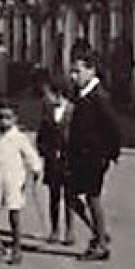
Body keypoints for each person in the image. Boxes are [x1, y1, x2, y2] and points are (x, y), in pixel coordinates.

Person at [65, 46, 122, 262]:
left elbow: (113, 128)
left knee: (92, 197)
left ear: (91, 71)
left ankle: (100, 243)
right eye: (72, 71)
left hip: (94, 157)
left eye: (77, 71)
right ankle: (100, 233)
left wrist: (109, 154)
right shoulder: (82, 94)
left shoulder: (99, 97)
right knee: (73, 196)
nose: (73, 76)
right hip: (80, 155)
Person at [0, 101, 44, 265]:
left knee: (14, 215)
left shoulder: (19, 138)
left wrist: (36, 171)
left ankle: (17, 249)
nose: (4, 121)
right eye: (0, 117)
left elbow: (32, 157)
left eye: (8, 118)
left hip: (14, 179)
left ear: (15, 119)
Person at [36, 79, 75, 247]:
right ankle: (54, 230)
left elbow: (78, 137)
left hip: (69, 160)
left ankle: (69, 231)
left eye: (57, 95)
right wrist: (44, 152)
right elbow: (42, 135)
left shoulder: (74, 112)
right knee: (54, 196)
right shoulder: (48, 112)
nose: (54, 99)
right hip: (52, 160)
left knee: (70, 197)